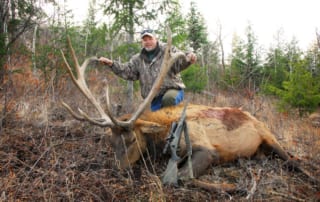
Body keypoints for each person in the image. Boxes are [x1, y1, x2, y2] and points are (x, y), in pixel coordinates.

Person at [98, 29, 197, 111]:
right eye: (145, 40)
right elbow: (127, 71)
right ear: (142, 42)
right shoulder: (137, 59)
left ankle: (175, 132)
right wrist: (111, 64)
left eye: (150, 38)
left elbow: (181, 59)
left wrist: (189, 57)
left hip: (173, 91)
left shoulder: (168, 50)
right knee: (153, 122)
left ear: (156, 39)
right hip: (153, 98)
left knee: (168, 100)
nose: (148, 42)